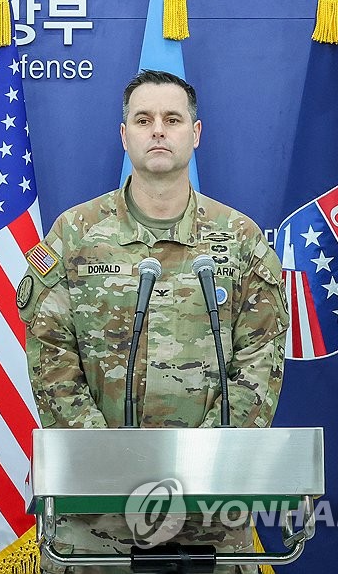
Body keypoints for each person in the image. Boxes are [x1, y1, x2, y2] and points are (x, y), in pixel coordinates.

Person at [18, 70, 289, 574]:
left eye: (172, 119)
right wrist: (112, 463)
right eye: (143, 120)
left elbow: (260, 362)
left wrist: (200, 464)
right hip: (97, 512)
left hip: (210, 510)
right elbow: (51, 355)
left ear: (196, 133)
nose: (158, 130)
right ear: (124, 135)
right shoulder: (75, 234)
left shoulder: (240, 238)